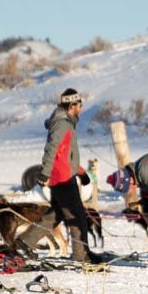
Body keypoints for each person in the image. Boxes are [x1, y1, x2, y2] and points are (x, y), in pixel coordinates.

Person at [40, 88, 111, 263]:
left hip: (64, 175)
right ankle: (81, 254)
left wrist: (81, 172)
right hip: (62, 178)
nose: (81, 107)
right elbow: (52, 150)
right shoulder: (63, 124)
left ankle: (24, 242)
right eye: (79, 104)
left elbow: (67, 154)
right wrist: (45, 172)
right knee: (77, 215)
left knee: (56, 214)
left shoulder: (65, 123)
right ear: (72, 105)